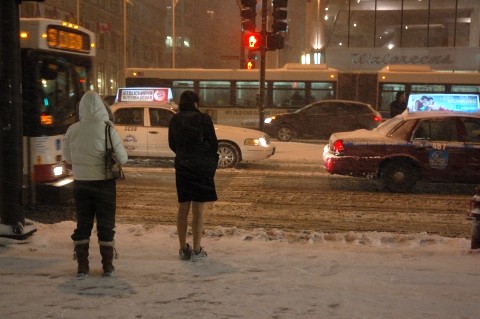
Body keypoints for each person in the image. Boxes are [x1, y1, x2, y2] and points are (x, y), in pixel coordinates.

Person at [63, 90, 128, 277]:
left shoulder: (73, 129)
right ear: (101, 108)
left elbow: (68, 157)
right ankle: (107, 266)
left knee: (83, 224)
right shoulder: (108, 129)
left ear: (81, 108)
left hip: (81, 184)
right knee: (106, 225)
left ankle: (82, 266)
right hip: (104, 184)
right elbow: (122, 158)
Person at [168, 90, 219, 262]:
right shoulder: (204, 119)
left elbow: (172, 144)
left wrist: (184, 154)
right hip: (200, 168)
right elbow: (213, 143)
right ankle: (197, 250)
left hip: (182, 167)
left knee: (183, 208)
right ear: (195, 103)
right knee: (198, 209)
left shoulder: (175, 120)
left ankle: (183, 248)